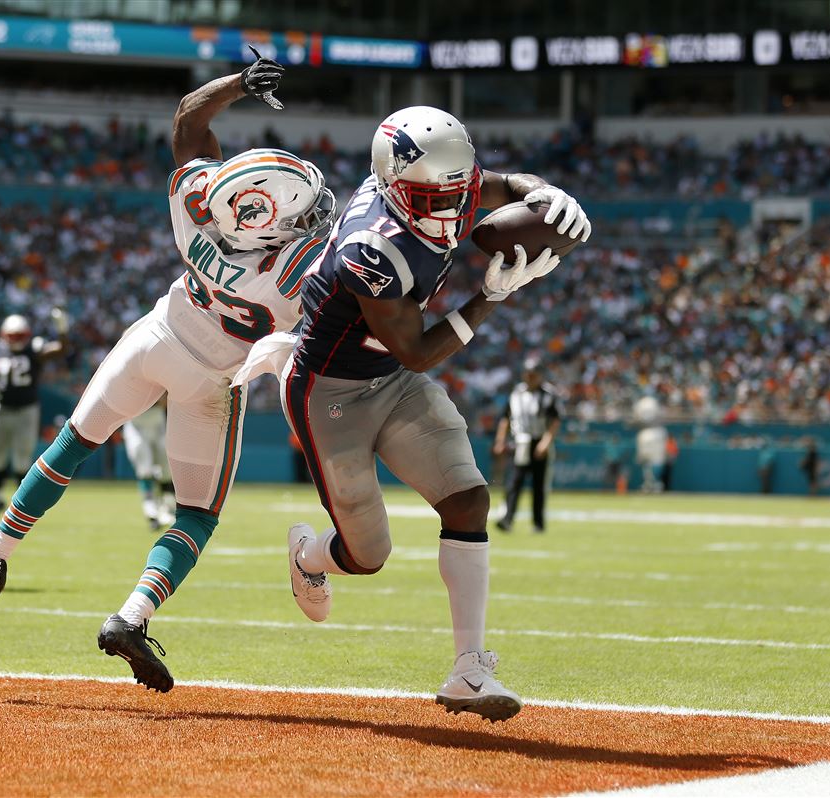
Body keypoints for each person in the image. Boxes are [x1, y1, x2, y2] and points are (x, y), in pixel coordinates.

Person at [0, 52, 334, 694]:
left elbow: (189, 118)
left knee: (72, 445)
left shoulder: (196, 208)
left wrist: (240, 83)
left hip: (155, 337)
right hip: (212, 383)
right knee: (196, 515)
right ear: (277, 219)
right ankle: (131, 617)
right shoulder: (299, 267)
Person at [277, 105, 590, 722]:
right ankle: (311, 555)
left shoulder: (444, 182)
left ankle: (468, 670)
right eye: (432, 197)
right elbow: (418, 351)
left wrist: (548, 194)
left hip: (388, 379)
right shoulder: (371, 246)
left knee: (469, 500)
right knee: (368, 555)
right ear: (394, 186)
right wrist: (491, 297)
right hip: (330, 392)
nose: (451, 210)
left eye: (456, 192)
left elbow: (499, 185)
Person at [0, 309, 69, 524]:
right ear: (3, 336)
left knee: (21, 459)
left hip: (27, 409)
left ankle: (20, 505)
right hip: (2, 407)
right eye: (12, 336)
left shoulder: (34, 350)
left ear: (27, 336)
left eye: (20, 336)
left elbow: (61, 349)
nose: (16, 341)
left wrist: (63, 329)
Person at [493, 358, 561, 533]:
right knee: (514, 482)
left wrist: (545, 443)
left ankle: (538, 523)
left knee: (539, 485)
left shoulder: (549, 395)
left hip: (539, 440)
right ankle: (507, 519)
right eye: (528, 374)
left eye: (534, 374)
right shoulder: (516, 393)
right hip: (520, 442)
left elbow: (554, 421)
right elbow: (505, 419)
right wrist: (500, 441)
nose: (530, 378)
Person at [123, 397, 176, 531]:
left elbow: (167, 398)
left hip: (158, 420)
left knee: (166, 468)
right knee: (145, 470)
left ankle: (168, 508)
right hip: (136, 422)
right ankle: (151, 512)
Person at [633, 396, 667, 493]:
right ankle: (653, 483)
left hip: (645, 435)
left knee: (647, 462)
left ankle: (649, 483)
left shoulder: (641, 405)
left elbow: (636, 420)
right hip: (656, 434)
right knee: (654, 461)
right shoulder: (655, 404)